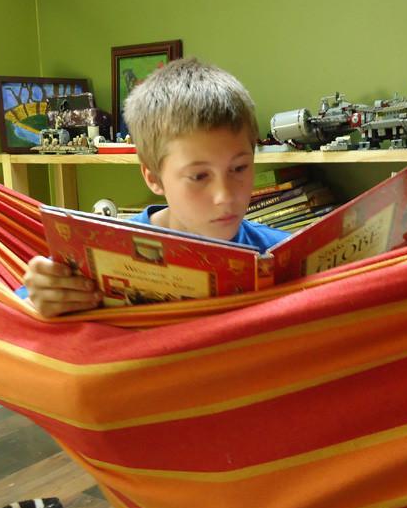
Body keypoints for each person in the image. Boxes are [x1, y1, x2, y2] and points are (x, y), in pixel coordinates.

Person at [23, 58, 290, 317]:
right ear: (153, 178)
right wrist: (41, 297)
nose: (225, 196)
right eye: (198, 176)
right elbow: (18, 313)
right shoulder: (95, 257)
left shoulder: (281, 255)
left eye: (239, 168)